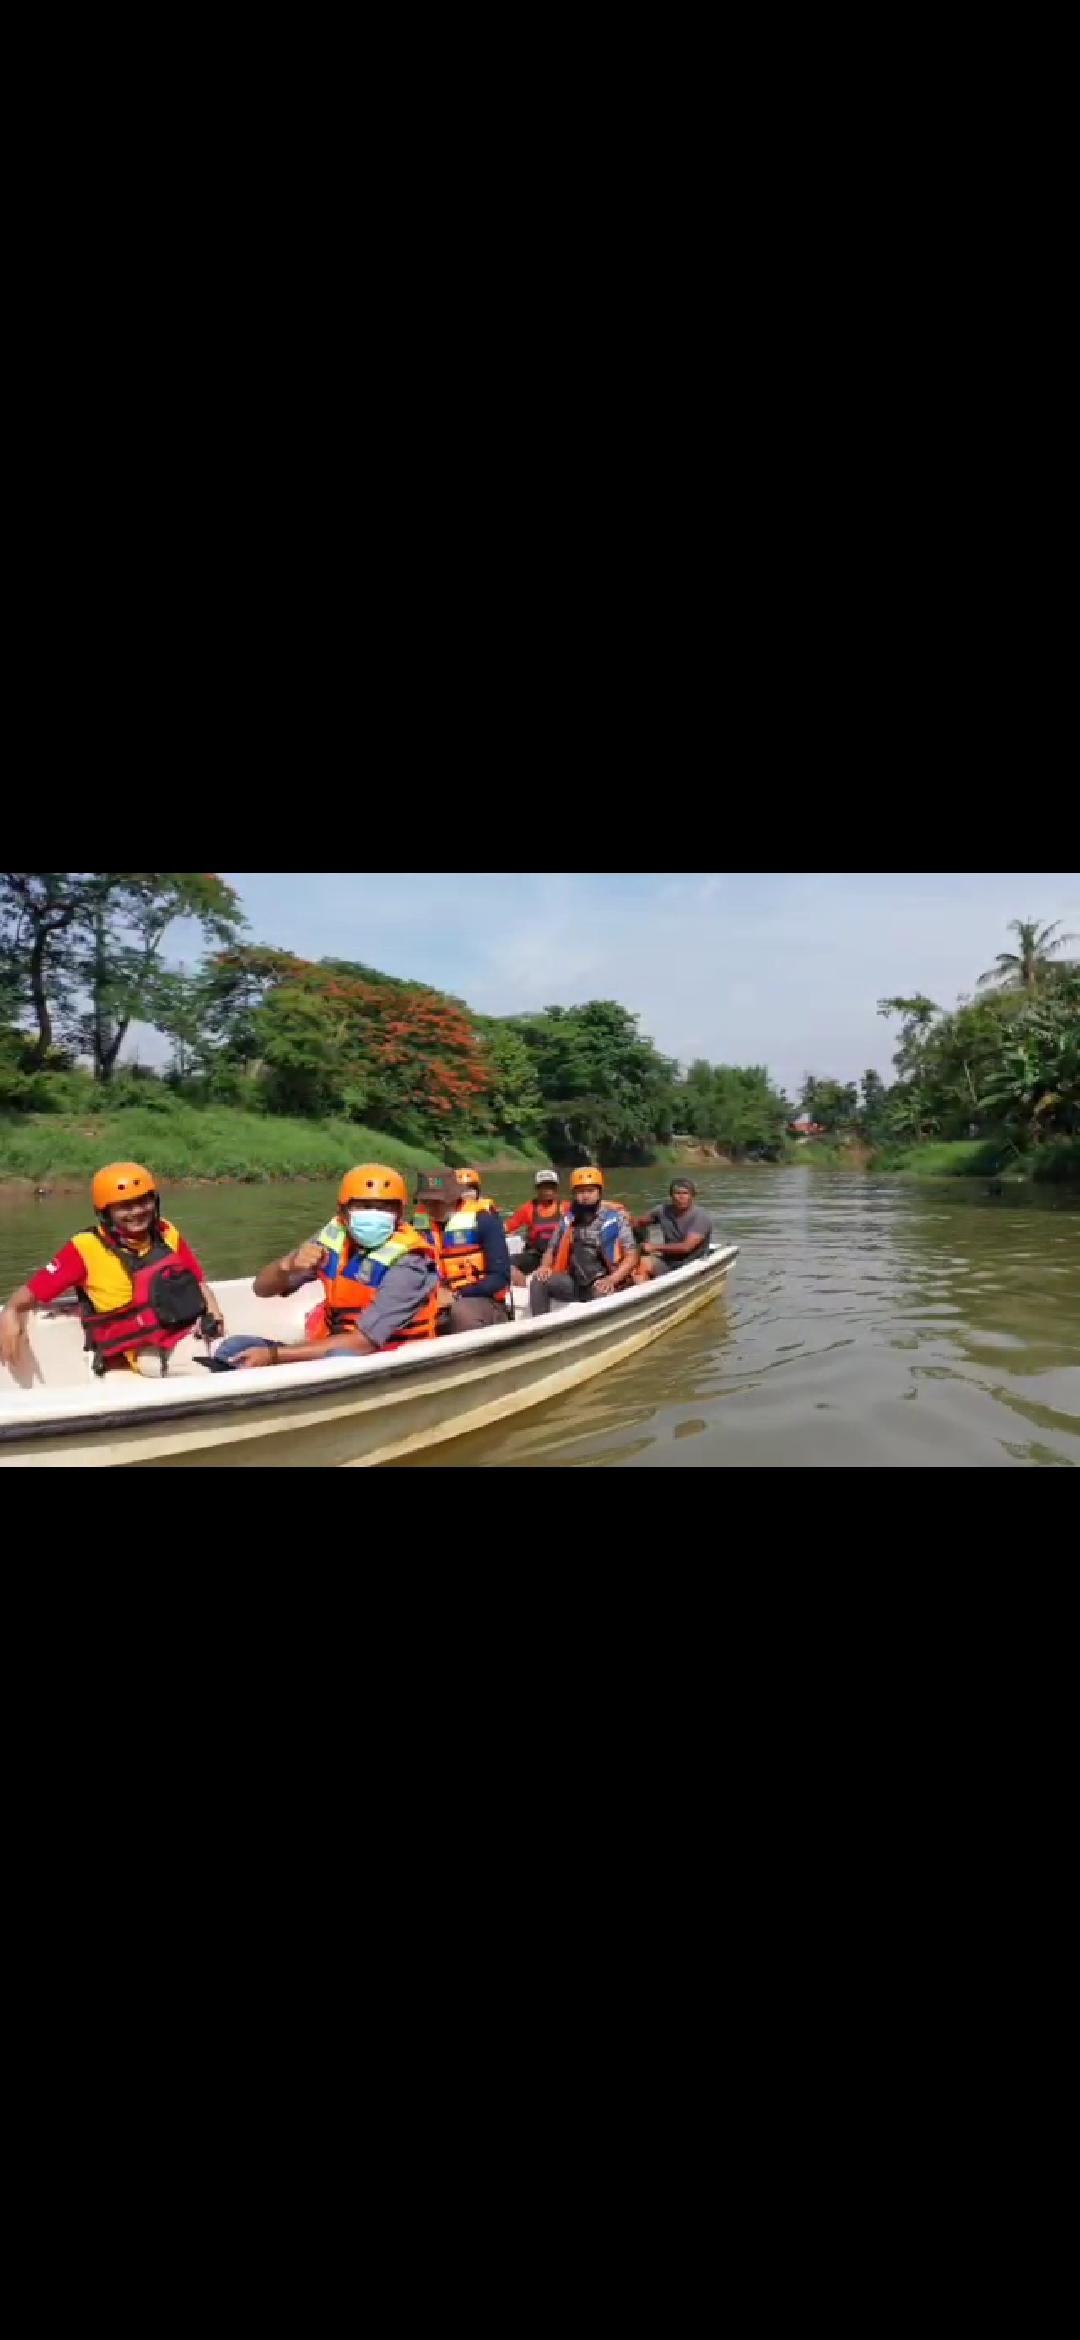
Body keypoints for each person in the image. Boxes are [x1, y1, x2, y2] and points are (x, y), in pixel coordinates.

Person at [0, 1160, 223, 1379]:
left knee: (236, 1351)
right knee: (214, 1366)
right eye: (125, 1206)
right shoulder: (84, 1248)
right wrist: (11, 1311)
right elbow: (32, 1292)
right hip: (144, 1353)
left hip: (189, 1333)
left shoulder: (166, 1233)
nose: (137, 1212)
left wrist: (214, 1316)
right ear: (106, 1212)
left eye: (143, 1202)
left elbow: (198, 1282)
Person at [211, 1164, 439, 1371]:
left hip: (384, 1356)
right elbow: (261, 1289)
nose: (374, 1214)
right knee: (234, 1348)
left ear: (399, 1214)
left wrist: (273, 1355)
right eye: (364, 1205)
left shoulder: (410, 1262)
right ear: (343, 1211)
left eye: (384, 1207)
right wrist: (287, 1267)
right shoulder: (331, 1238)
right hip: (328, 1347)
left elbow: (363, 1342)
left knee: (340, 1358)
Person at [529, 1168, 639, 1315]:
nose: (585, 1196)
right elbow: (551, 1248)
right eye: (580, 1192)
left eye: (590, 1191)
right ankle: (540, 1326)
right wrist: (544, 1266)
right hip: (573, 1281)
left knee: (601, 1294)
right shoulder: (568, 1219)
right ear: (574, 1194)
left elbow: (631, 1256)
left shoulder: (616, 1219)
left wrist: (612, 1279)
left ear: (599, 1192)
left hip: (602, 1280)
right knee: (538, 1281)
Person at [415, 1169, 512, 1333]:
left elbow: (500, 1276)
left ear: (454, 1197)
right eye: (426, 1202)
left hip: (481, 1299)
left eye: (437, 1201)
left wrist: (457, 1295)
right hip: (435, 1296)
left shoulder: (483, 1220)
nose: (431, 1207)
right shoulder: (418, 1224)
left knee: (461, 1313)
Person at [633, 1178, 715, 1281]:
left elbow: (686, 1247)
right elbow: (638, 1222)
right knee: (641, 1263)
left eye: (685, 1193)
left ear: (692, 1195)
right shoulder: (662, 1211)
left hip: (693, 1264)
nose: (681, 1197)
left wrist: (653, 1247)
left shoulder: (700, 1217)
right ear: (671, 1195)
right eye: (677, 1193)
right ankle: (643, 1292)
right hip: (668, 1262)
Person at [504, 1171, 565, 1285]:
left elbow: (590, 1208)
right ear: (537, 1189)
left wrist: (607, 1205)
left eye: (550, 1187)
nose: (547, 1191)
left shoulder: (565, 1207)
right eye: (543, 1187)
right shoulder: (527, 1208)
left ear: (556, 1188)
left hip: (558, 1255)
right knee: (506, 1264)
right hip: (534, 1255)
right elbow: (508, 1226)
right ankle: (522, 1291)